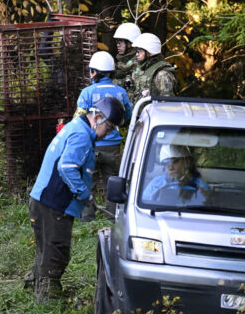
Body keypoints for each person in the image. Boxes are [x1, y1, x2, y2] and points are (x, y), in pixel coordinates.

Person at [27, 97, 125, 303]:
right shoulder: (81, 135)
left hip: (42, 200)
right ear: (97, 118)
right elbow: (67, 167)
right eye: (109, 126)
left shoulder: (76, 127)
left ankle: (33, 287)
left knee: (44, 250)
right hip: (54, 204)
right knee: (56, 254)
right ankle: (48, 301)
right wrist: (84, 194)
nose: (109, 132)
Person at [74, 51, 132, 221]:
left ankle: (87, 218)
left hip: (91, 145)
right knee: (112, 183)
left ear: (95, 72)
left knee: (87, 182)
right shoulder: (121, 92)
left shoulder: (87, 92)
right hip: (113, 147)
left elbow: (79, 119)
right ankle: (113, 217)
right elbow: (128, 116)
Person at [143, 144, 210, 203]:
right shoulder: (156, 182)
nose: (170, 167)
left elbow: (204, 206)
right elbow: (145, 204)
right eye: (166, 163)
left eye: (174, 161)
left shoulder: (200, 185)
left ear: (187, 162)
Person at [128, 32, 177, 103]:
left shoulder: (162, 74)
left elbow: (167, 103)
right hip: (138, 113)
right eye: (137, 51)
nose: (137, 54)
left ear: (149, 53)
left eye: (140, 51)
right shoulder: (138, 70)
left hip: (153, 113)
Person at [112, 22, 141, 92]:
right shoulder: (125, 60)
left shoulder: (138, 61)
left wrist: (109, 82)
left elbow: (133, 84)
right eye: (117, 42)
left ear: (130, 43)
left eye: (121, 42)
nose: (118, 45)